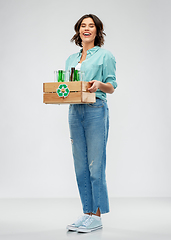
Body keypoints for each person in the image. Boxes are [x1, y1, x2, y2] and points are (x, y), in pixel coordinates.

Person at [65, 14, 117, 233]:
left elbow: (112, 86)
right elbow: (67, 86)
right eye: (83, 26)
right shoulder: (70, 59)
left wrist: (99, 84)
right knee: (80, 165)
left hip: (96, 110)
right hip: (75, 111)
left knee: (96, 164)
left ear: (97, 31)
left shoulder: (105, 56)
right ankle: (86, 213)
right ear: (78, 31)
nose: (87, 29)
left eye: (91, 26)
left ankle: (96, 215)